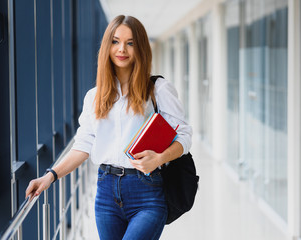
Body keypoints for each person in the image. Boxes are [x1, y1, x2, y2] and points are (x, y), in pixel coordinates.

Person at [25, 15, 192, 240]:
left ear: (140, 48)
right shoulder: (94, 97)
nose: (121, 49)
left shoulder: (158, 90)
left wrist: (159, 158)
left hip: (147, 192)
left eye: (130, 43)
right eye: (115, 41)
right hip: (106, 193)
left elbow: (184, 136)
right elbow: (83, 145)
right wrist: (50, 176)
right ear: (107, 46)